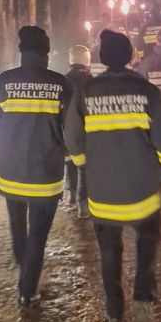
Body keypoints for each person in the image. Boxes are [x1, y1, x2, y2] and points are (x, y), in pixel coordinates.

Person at [65, 29, 161, 322]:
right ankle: (143, 299)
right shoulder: (147, 92)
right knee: (147, 243)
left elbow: (73, 138)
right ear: (131, 56)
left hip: (103, 191)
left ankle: (114, 311)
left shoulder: (86, 92)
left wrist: (86, 167)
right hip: (143, 190)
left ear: (103, 58)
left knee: (109, 251)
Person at [0, 26, 74, 308]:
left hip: (11, 173)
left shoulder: (4, 82)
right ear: (47, 52)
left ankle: (22, 262)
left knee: (16, 222)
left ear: (21, 51)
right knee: (38, 233)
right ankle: (27, 289)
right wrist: (79, 157)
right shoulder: (60, 84)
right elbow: (72, 130)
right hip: (46, 176)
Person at [65, 45, 92, 218]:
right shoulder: (91, 81)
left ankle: (72, 197)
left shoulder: (62, 81)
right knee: (84, 168)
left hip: (67, 132)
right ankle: (83, 204)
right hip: (86, 132)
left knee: (70, 163)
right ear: (87, 61)